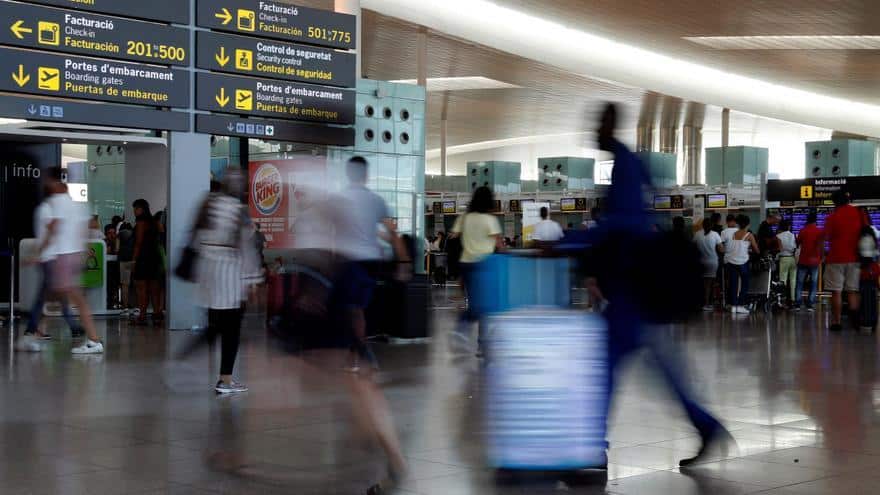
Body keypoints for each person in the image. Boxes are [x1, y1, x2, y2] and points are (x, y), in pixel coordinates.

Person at [586, 103, 728, 467]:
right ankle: (706, 426)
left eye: (599, 122)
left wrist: (574, 243)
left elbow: (625, 222)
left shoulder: (625, 165)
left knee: (608, 367)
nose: (593, 129)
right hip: (635, 287)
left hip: (632, 288)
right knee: (660, 368)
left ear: (611, 125)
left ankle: (593, 448)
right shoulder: (630, 162)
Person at [178, 170, 262, 393]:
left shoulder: (208, 205)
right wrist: (254, 279)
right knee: (231, 329)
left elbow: (195, 239)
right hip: (231, 276)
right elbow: (247, 248)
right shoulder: (238, 211)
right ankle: (225, 380)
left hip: (208, 273)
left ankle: (184, 360)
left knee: (214, 327)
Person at [39, 166, 103, 354]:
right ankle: (38, 329)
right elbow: (87, 228)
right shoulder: (78, 204)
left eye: (48, 180)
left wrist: (40, 251)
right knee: (56, 294)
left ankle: (93, 339)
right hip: (73, 255)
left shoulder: (57, 202)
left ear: (54, 181)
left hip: (64, 256)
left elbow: (53, 228)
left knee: (63, 296)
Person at [17, 182, 84, 351]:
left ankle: (71, 327)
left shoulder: (43, 209)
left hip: (50, 258)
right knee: (46, 297)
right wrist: (40, 253)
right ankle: (32, 330)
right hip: (50, 258)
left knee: (55, 296)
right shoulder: (48, 210)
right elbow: (51, 232)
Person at [449, 186, 503, 355]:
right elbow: (499, 245)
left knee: (477, 303)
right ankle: (471, 335)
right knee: (484, 306)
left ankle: (469, 334)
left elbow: (453, 236)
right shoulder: (490, 219)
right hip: (484, 265)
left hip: (466, 264)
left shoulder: (464, 218)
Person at [824, 190, 865, 331]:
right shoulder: (858, 213)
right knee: (852, 290)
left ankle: (837, 322)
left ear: (835, 202)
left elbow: (826, 237)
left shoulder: (832, 217)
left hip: (835, 258)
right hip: (854, 257)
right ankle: (855, 319)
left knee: (836, 291)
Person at [131, 199, 163, 325]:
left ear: (142, 209)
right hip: (155, 257)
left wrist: (134, 260)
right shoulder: (155, 221)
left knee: (141, 289)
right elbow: (161, 236)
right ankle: (156, 315)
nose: (134, 211)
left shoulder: (140, 221)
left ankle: (142, 317)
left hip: (143, 258)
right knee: (155, 289)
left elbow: (138, 242)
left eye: (136, 208)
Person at [725, 214, 759, 315]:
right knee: (745, 284)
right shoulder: (749, 235)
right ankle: (740, 305)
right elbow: (757, 250)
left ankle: (734, 306)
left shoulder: (733, 234)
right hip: (743, 262)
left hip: (731, 262)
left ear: (738, 224)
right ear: (748, 224)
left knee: (733, 285)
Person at [794, 212, 823, 312]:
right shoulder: (819, 231)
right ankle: (810, 304)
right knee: (813, 283)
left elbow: (797, 243)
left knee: (800, 282)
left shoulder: (803, 230)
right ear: (816, 220)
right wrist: (822, 257)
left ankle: (797, 303)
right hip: (815, 261)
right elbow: (822, 246)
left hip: (803, 260)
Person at [693, 218, 723, 311]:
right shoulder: (715, 234)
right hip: (712, 262)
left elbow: (693, 247)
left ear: (703, 225)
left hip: (700, 262)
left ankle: (701, 302)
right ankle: (708, 304)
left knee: (702, 284)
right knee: (710, 285)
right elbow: (721, 249)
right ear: (712, 225)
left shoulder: (697, 234)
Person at [776, 219, 797, 307]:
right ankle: (792, 299)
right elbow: (795, 247)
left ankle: (782, 299)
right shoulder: (793, 235)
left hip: (783, 259)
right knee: (793, 280)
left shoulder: (778, 236)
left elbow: (778, 249)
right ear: (789, 226)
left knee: (783, 280)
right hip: (792, 259)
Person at [117, 221, 135, 316]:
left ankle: (125, 308)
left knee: (125, 285)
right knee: (134, 285)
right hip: (133, 260)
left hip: (123, 261)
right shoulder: (134, 234)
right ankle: (136, 308)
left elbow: (117, 248)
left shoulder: (120, 235)